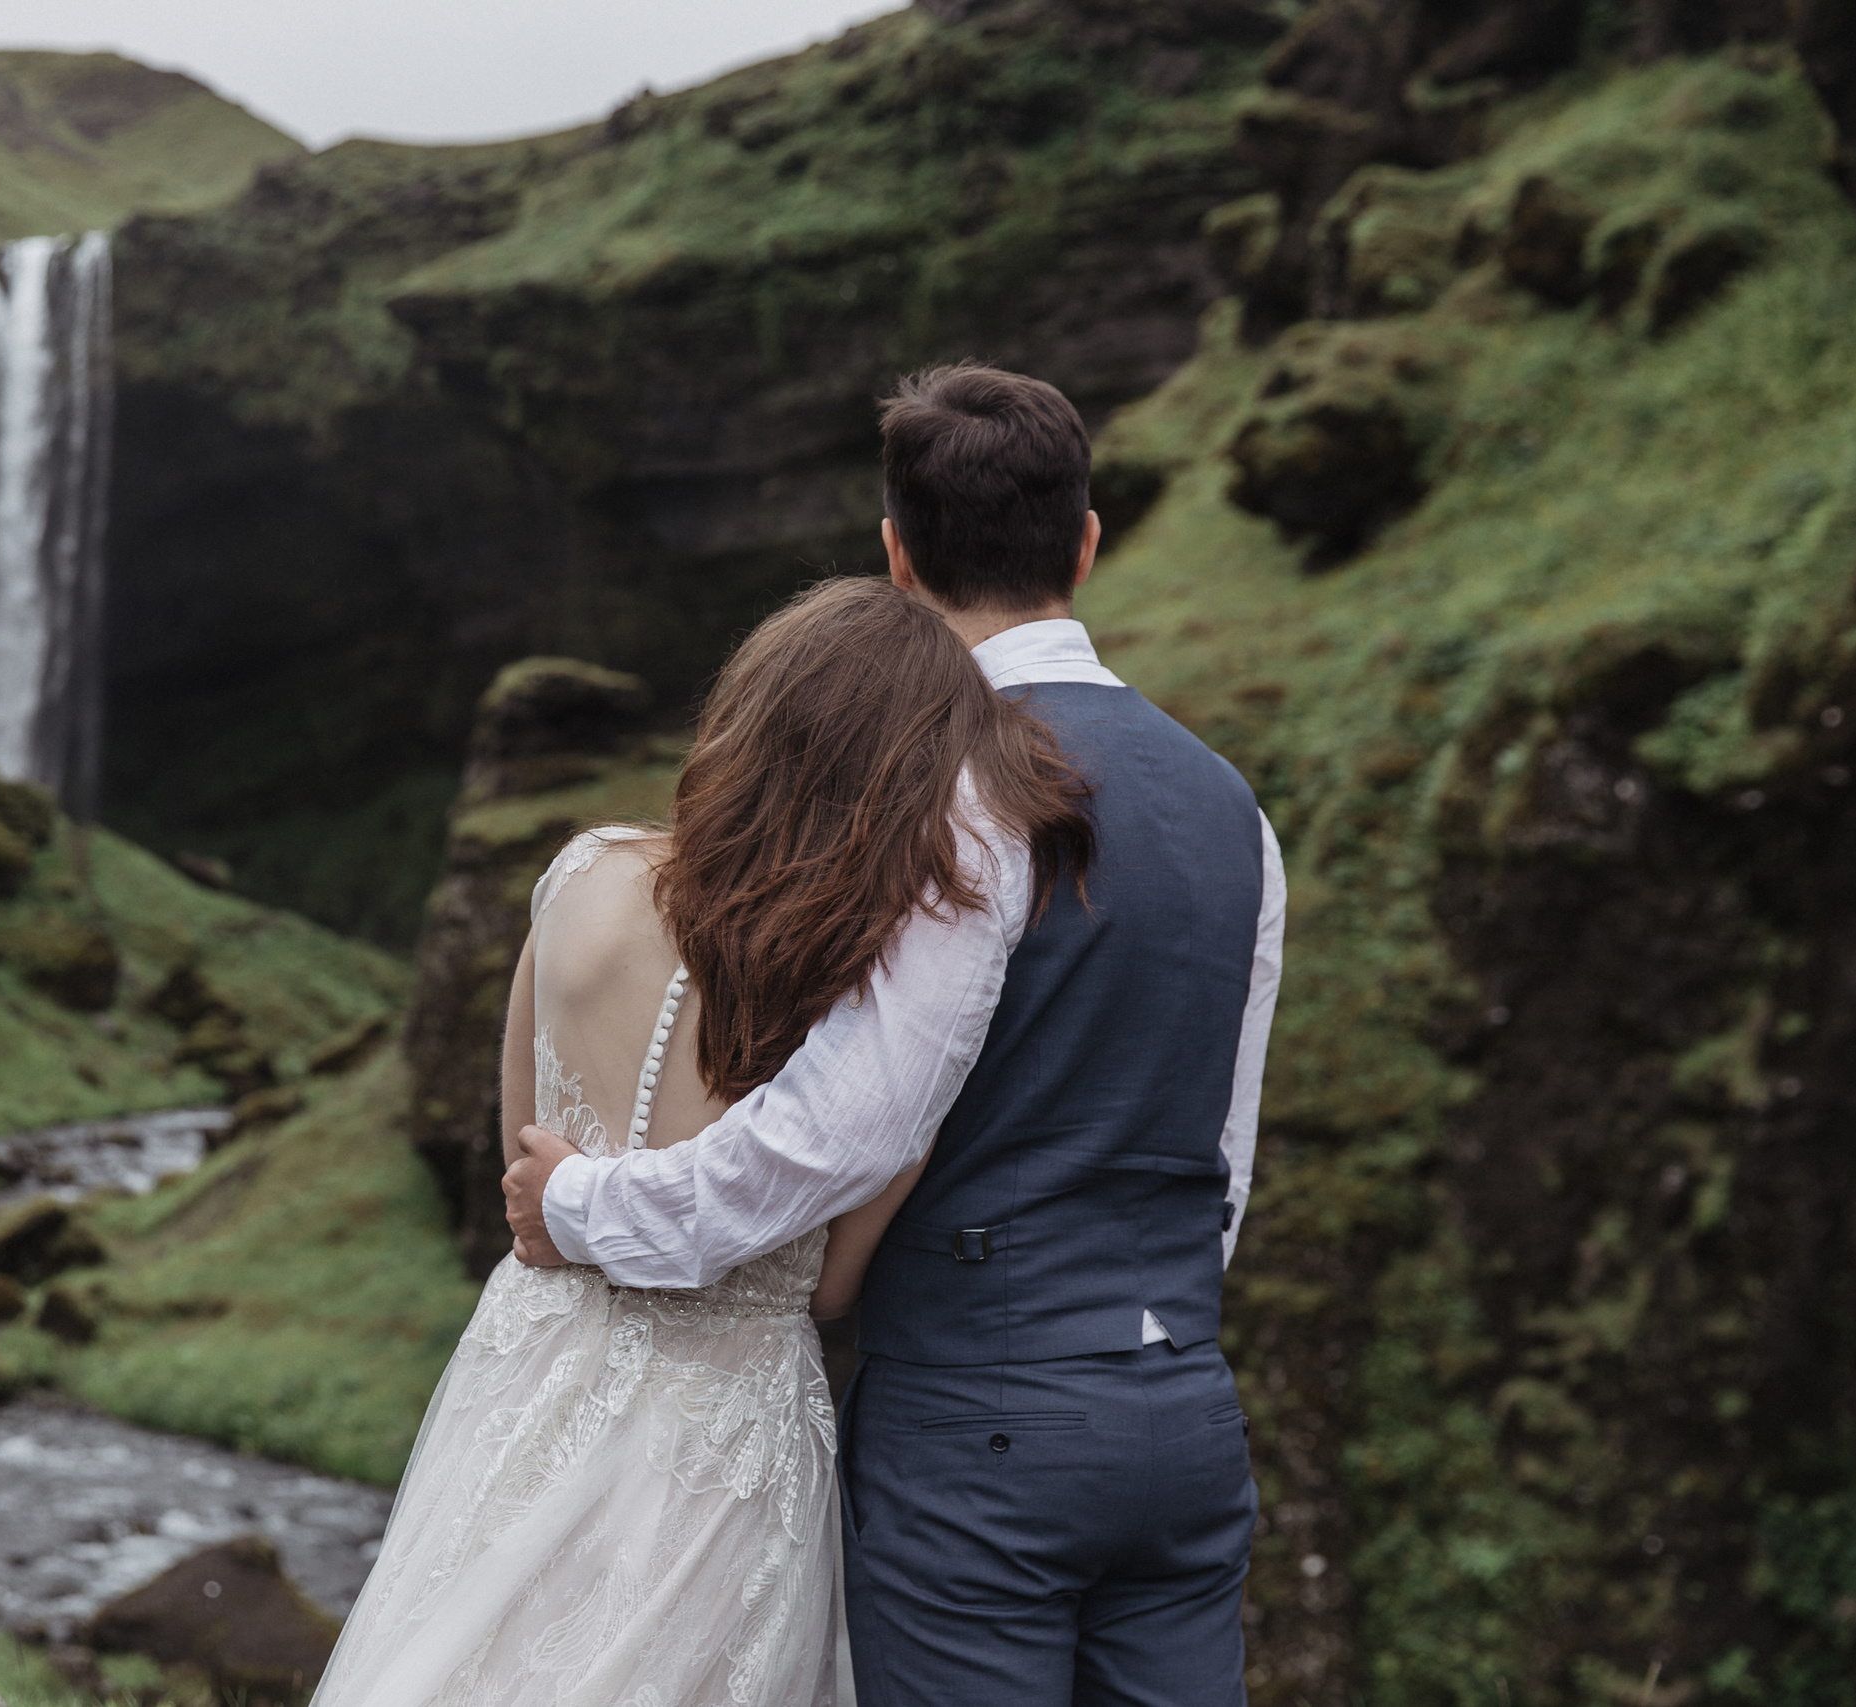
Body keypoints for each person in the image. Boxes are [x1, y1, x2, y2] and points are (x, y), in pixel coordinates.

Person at [505, 362, 1287, 1707]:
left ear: (896, 555)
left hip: (979, 1420)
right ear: (1089, 542)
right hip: (1181, 1409)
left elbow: (840, 1127)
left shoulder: (954, 790)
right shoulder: (1238, 813)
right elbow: (1223, 1150)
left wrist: (581, 1202)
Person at [311, 574, 1098, 1707]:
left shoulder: (580, 875)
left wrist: (584, 1212)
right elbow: (829, 1289)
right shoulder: (864, 990)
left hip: (538, 1361)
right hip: (727, 1430)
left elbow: (525, 1169)